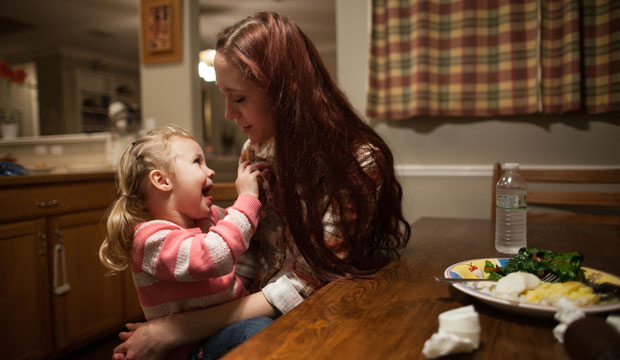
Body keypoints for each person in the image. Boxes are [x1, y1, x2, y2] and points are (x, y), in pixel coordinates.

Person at [112, 12, 411, 360]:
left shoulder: (358, 161)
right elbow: (248, 247)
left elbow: (308, 282)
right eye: (223, 96)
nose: (227, 113)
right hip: (250, 311)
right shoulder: (255, 150)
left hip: (324, 312)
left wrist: (177, 328)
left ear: (286, 92)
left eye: (237, 98)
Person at [99, 125, 269, 359]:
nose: (210, 172)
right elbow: (215, 255)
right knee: (255, 330)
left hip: (220, 330)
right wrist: (248, 199)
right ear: (162, 180)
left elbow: (239, 228)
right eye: (197, 162)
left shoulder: (203, 220)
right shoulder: (151, 240)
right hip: (192, 349)